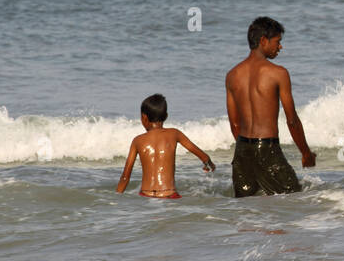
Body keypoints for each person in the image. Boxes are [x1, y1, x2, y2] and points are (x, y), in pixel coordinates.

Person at [225, 16, 316, 197]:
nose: (280, 47)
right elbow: (292, 120)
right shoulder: (278, 73)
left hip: (242, 151)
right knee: (293, 200)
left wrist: (248, 152)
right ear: (263, 41)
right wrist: (306, 153)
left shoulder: (232, 75)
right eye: (277, 41)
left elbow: (235, 124)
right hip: (268, 149)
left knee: (246, 211)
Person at [116, 94, 215, 198]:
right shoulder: (175, 134)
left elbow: (125, 177)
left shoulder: (137, 141)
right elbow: (204, 157)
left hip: (146, 195)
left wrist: (116, 199)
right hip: (169, 195)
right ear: (166, 116)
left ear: (144, 118)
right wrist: (209, 165)